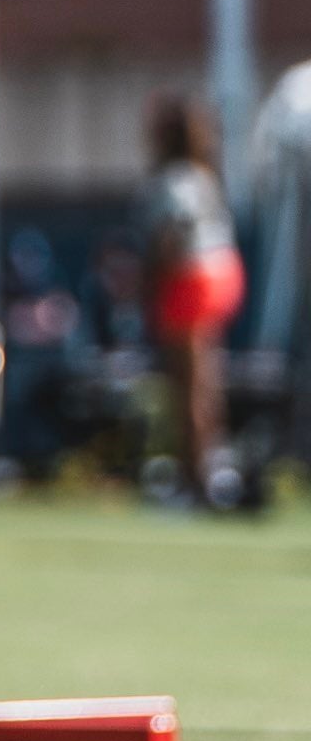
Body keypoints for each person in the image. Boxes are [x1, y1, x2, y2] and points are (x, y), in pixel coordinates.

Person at [140, 93, 245, 508]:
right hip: (220, 273)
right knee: (204, 384)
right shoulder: (203, 174)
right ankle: (208, 474)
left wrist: (150, 285)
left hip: (190, 280)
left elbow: (172, 237)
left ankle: (197, 483)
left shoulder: (175, 179)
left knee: (188, 389)